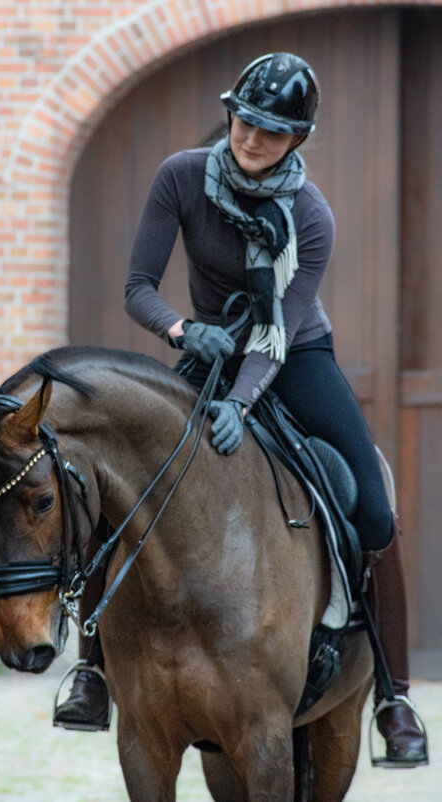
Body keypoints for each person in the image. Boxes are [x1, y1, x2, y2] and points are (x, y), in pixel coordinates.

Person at [56, 52, 427, 767]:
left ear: (297, 140)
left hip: (295, 357)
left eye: (272, 131)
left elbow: (279, 330)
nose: (251, 138)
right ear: (231, 111)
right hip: (203, 344)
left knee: (374, 506)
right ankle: (92, 672)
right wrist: (179, 330)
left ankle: (393, 695)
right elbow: (137, 285)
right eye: (245, 120)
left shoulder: (309, 214)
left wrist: (239, 401)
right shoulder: (180, 176)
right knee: (119, 488)